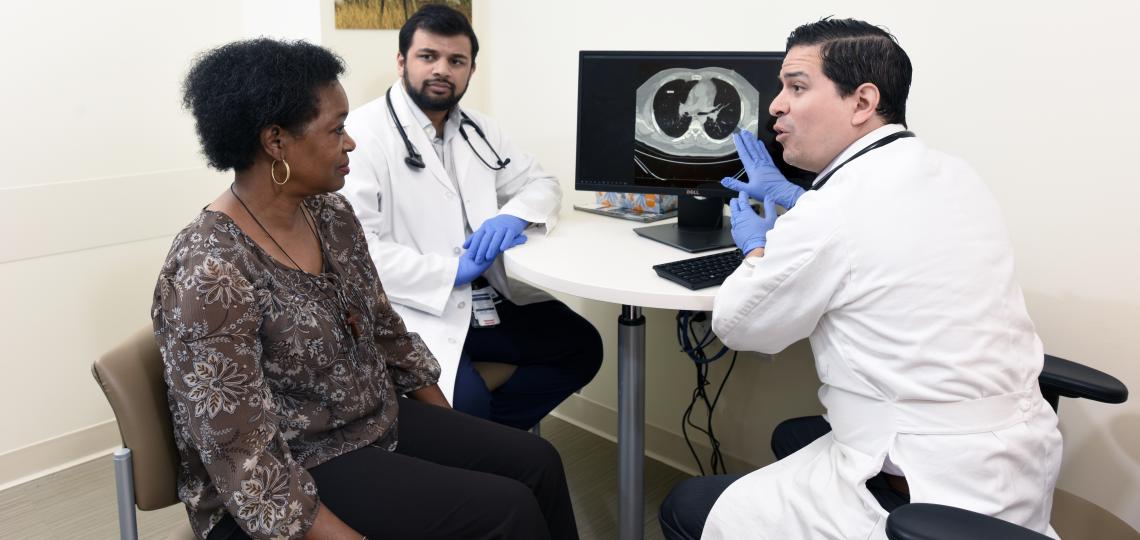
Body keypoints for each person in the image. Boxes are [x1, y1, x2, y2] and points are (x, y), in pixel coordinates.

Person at [153, 38, 578, 540]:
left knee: (538, 461)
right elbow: (243, 461)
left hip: (373, 421)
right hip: (293, 466)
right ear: (276, 142)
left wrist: (461, 439)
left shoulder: (328, 214)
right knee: (506, 511)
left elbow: (384, 329)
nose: (350, 142)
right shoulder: (210, 272)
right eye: (336, 130)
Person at [658, 18, 1063, 540]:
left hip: (920, 484)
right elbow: (882, 237)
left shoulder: (834, 211)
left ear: (862, 102)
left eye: (797, 86)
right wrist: (799, 203)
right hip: (1015, 462)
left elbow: (742, 328)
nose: (776, 104)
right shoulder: (953, 173)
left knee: (688, 506)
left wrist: (759, 247)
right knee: (796, 436)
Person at [340, 4, 602, 429]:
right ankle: (483, 447)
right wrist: (452, 271)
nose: (442, 69)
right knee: (465, 404)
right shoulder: (362, 135)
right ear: (402, 61)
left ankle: (487, 445)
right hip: (412, 305)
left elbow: (543, 184)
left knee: (582, 347)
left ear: (470, 70)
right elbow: (358, 254)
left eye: (456, 60)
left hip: (485, 296)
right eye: (428, 57)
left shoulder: (479, 129)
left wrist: (513, 217)